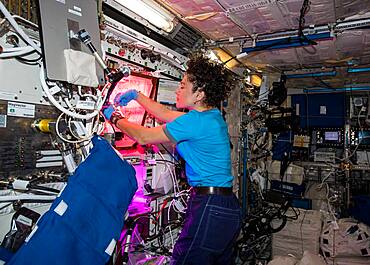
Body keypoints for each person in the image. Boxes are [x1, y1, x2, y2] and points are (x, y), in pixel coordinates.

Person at [103, 54, 242, 265]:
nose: (178, 89)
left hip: (210, 205)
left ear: (199, 95)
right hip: (226, 206)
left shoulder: (196, 121)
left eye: (184, 86)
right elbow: (165, 113)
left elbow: (143, 136)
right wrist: (136, 95)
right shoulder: (210, 116)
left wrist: (113, 116)